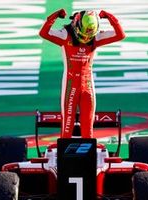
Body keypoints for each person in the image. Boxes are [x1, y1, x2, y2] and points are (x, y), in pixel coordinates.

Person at [39, 9, 125, 138]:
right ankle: (64, 151)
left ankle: (88, 153)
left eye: (89, 35)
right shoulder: (65, 35)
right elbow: (44, 33)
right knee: (67, 125)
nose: (86, 38)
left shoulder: (96, 37)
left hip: (88, 85)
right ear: (76, 25)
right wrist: (55, 15)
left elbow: (120, 35)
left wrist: (109, 17)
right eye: (83, 34)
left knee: (88, 126)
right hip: (70, 85)